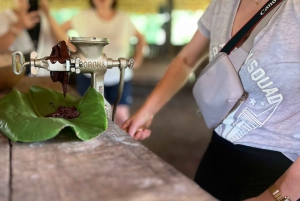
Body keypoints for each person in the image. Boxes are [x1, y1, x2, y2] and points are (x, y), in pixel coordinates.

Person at [122, 0, 300, 200]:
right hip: (219, 148)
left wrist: (280, 193)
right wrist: (147, 111)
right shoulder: (223, 4)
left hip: (281, 163)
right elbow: (185, 60)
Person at [61, 0, 146, 127]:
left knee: (121, 117)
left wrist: (138, 58)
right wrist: (74, 51)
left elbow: (141, 38)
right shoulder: (83, 16)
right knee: (90, 117)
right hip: (89, 76)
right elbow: (60, 30)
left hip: (120, 76)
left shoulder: (124, 18)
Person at [0, 0, 68, 76]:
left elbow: (65, 44)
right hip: (17, 78)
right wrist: (18, 26)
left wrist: (48, 15)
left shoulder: (45, 17)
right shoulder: (4, 17)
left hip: (47, 77)